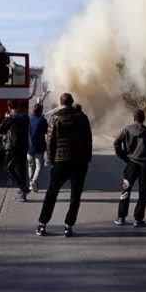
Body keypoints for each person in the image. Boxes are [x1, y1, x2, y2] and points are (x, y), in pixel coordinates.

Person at [36, 93, 93, 237]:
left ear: (61, 103)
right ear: (72, 102)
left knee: (51, 193)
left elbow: (50, 142)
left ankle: (42, 224)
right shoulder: (82, 118)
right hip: (79, 162)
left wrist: (51, 160)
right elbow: (88, 140)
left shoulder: (55, 119)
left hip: (60, 162)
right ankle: (68, 226)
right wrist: (87, 159)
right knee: (75, 196)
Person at [113, 108, 146, 227]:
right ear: (144, 119)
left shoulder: (126, 130)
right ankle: (138, 219)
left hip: (131, 164)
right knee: (144, 192)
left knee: (126, 190)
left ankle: (121, 217)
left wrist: (123, 157)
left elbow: (116, 143)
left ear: (134, 118)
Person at [0, 99, 30, 201]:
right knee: (22, 169)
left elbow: (2, 129)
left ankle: (23, 188)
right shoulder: (26, 117)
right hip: (24, 145)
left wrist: (6, 118)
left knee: (9, 168)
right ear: (19, 106)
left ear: (9, 107)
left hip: (13, 146)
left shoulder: (11, 117)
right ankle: (22, 194)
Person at [27, 103, 48, 192]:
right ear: (41, 110)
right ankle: (34, 181)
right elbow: (46, 131)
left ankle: (31, 182)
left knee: (30, 165)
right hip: (39, 147)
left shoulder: (29, 119)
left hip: (29, 146)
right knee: (39, 166)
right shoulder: (42, 120)